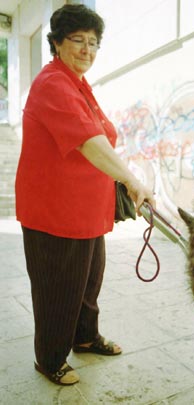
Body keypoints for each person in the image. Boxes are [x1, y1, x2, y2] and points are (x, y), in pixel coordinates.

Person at [15, 4, 155, 386]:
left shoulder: (79, 85)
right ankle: (49, 359)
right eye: (77, 40)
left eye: (93, 43)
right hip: (55, 213)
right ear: (57, 43)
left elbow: (101, 143)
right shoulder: (53, 84)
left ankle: (85, 337)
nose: (87, 50)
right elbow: (90, 143)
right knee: (58, 290)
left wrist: (124, 179)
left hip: (88, 210)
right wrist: (132, 179)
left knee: (87, 284)